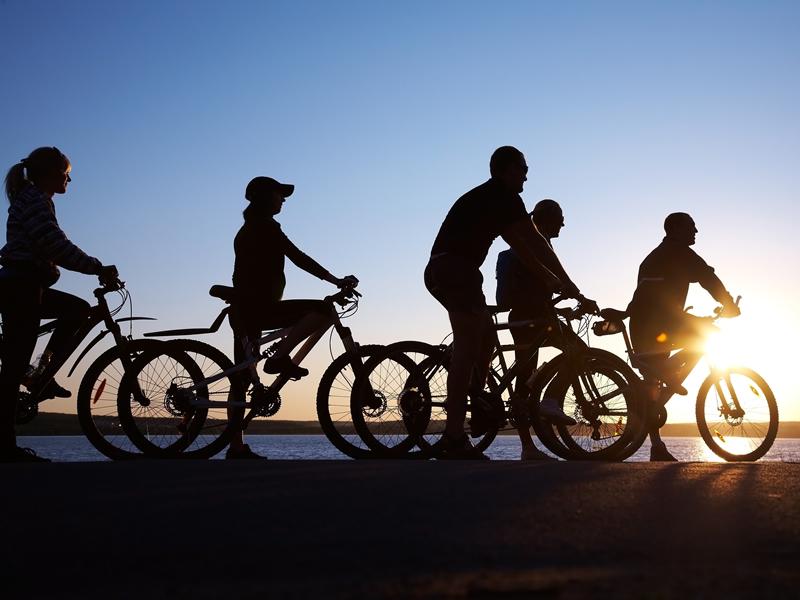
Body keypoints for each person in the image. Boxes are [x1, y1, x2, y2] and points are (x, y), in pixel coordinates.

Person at [424, 146, 564, 459]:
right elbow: (532, 246)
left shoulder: (494, 198)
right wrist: (563, 282)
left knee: (486, 342)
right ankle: (454, 435)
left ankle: (477, 401)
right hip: (455, 269)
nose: (527, 175)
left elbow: (527, 246)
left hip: (455, 271)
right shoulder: (503, 197)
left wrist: (553, 277)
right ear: (505, 170)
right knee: (467, 347)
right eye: (522, 168)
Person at [226, 176, 357, 459]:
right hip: (257, 309)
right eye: (279, 194)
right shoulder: (264, 226)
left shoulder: (251, 227)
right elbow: (297, 256)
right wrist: (335, 280)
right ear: (265, 198)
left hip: (245, 310)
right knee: (322, 310)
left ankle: (235, 445)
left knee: (241, 378)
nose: (283, 199)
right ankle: (279, 359)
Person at [0, 147, 117, 463]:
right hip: (21, 286)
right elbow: (54, 244)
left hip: (23, 283)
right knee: (12, 368)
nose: (70, 179)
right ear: (51, 174)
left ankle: (41, 373)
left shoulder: (35, 199)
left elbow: (46, 245)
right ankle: (7, 442)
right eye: (67, 173)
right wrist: (98, 267)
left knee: (74, 311)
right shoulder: (35, 199)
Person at [627, 212, 740, 461]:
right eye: (691, 226)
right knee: (706, 333)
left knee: (653, 388)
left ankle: (656, 447)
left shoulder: (656, 255)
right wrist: (728, 304)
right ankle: (669, 376)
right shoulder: (678, 252)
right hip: (660, 322)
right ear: (676, 229)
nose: (696, 231)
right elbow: (707, 277)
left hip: (644, 323)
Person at [496, 199, 598, 460]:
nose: (563, 224)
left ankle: (528, 447)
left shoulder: (531, 243)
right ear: (547, 218)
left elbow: (539, 288)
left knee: (524, 379)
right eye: (560, 218)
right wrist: (580, 298)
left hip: (530, 317)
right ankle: (550, 401)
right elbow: (560, 277)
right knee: (578, 351)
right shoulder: (535, 242)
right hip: (533, 319)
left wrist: (560, 307)